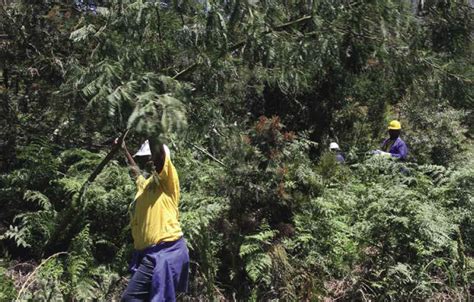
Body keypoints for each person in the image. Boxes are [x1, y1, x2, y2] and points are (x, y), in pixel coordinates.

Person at [118, 138, 189, 302]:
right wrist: (124, 150)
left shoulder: (167, 181)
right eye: (145, 159)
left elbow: (160, 156)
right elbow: (136, 173)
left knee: (130, 299)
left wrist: (149, 124)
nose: (147, 162)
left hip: (165, 251)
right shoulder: (147, 185)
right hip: (149, 253)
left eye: (150, 157)